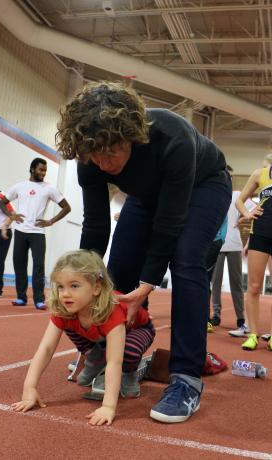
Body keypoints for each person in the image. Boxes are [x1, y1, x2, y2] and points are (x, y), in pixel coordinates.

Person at [56, 81, 232, 423]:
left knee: (186, 259)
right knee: (117, 269)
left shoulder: (172, 136)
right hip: (146, 194)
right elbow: (95, 225)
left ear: (133, 138)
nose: (104, 162)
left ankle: (186, 379)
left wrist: (149, 282)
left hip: (204, 184)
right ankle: (120, 359)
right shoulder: (90, 154)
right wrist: (81, 283)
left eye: (112, 152)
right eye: (96, 155)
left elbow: (170, 221)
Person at [12, 250, 155, 426]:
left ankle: (131, 372)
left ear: (96, 287)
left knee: (127, 353)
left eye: (74, 286)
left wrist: (108, 406)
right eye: (60, 286)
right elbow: (46, 348)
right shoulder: (65, 308)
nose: (65, 294)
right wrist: (29, 388)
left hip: (137, 329)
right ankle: (93, 354)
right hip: (99, 333)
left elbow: (114, 361)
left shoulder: (112, 310)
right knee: (70, 324)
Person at [0, 157, 71, 310]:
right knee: (19, 264)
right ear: (32, 169)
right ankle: (21, 297)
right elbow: (2, 202)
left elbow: (66, 207)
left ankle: (39, 299)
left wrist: (51, 221)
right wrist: (11, 216)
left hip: (38, 233)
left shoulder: (49, 188)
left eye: (45, 170)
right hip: (20, 231)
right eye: (41, 169)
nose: (43, 173)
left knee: (38, 266)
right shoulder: (19, 186)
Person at [235, 153, 272, 351]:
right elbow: (239, 200)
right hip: (260, 233)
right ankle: (253, 334)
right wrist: (248, 213)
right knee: (255, 286)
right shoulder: (260, 174)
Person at [211, 167, 254, 336]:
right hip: (217, 244)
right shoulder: (214, 195)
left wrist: (244, 216)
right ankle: (216, 315)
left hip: (235, 244)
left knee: (237, 283)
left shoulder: (237, 196)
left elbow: (255, 209)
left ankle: (240, 318)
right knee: (215, 282)